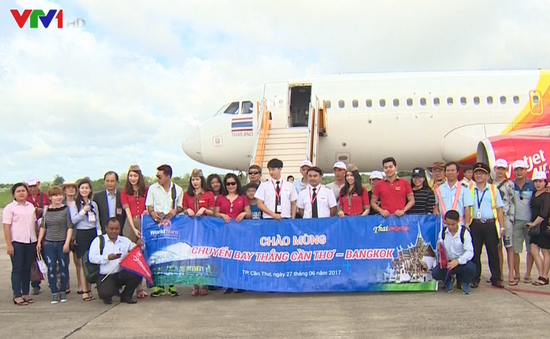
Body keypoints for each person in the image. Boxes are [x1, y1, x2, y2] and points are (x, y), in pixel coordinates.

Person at [145, 164, 184, 298]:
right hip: (157, 226)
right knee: (157, 255)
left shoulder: (177, 189)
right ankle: (159, 286)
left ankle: (172, 285)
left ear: (168, 176)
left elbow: (181, 207)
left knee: (172, 254)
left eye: (159, 176)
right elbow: (148, 205)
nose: (157, 178)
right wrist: (152, 213)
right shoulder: (152, 189)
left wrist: (175, 210)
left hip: (172, 225)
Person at [89, 218, 144, 304]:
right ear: (106, 228)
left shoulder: (124, 240)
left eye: (116, 229)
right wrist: (107, 258)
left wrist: (140, 244)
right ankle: (111, 291)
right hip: (106, 275)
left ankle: (126, 296)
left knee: (137, 273)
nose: (114, 231)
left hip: (121, 273)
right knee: (105, 294)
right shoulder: (98, 241)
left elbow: (136, 248)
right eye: (111, 229)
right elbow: (91, 258)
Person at [468, 162, 505, 288]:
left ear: (487, 176)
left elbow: (499, 209)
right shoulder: (469, 189)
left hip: (490, 224)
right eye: (477, 173)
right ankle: (475, 278)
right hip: (475, 224)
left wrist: (502, 226)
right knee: (475, 252)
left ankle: (496, 278)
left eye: (482, 174)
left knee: (493, 252)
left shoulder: (493, 189)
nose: (479, 176)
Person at [214, 173, 251, 294]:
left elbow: (249, 213)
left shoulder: (243, 198)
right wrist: (222, 215)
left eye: (233, 183)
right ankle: (228, 284)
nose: (230, 186)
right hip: (224, 232)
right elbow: (215, 214)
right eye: (228, 183)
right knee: (227, 257)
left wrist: (244, 214)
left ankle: (240, 283)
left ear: (237, 184)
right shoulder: (220, 198)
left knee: (239, 256)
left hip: (239, 232)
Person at [37, 186, 74, 304]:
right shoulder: (47, 210)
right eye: (55, 195)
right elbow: (43, 226)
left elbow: (69, 227)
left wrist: (67, 242)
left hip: (62, 242)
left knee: (63, 267)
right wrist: (39, 241)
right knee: (51, 267)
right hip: (49, 242)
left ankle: (62, 290)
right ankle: (54, 292)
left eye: (59, 195)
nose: (58, 197)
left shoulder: (65, 209)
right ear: (50, 197)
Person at [3, 183, 38, 306]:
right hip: (17, 242)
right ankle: (17, 294)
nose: (21, 193)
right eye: (18, 191)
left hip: (30, 241)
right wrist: (9, 245)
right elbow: (6, 227)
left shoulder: (30, 206)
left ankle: (25, 293)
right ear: (14, 194)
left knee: (27, 268)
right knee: (17, 269)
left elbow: (34, 224)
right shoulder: (10, 208)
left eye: (23, 190)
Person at [70, 178, 102, 301]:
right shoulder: (75, 204)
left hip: (93, 232)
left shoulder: (93, 204)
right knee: (83, 262)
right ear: (79, 189)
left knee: (92, 262)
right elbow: (73, 220)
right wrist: (83, 211)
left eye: (87, 188)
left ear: (90, 190)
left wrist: (99, 235)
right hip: (82, 233)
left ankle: (90, 289)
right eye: (82, 188)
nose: (84, 190)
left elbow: (97, 220)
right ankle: (85, 290)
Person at [120, 165, 149, 299]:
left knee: (143, 253)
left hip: (144, 221)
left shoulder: (146, 190)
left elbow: (149, 207)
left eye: (135, 176)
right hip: (130, 223)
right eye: (130, 176)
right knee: (131, 253)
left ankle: (143, 285)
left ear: (139, 177)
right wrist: (134, 228)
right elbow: (127, 211)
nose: (132, 178)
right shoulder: (125, 191)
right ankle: (136, 287)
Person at [433, 210, 475, 295]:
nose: (450, 227)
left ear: (458, 221)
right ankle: (449, 279)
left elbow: (470, 252)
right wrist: (439, 252)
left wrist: (458, 261)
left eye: (453, 224)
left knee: (471, 268)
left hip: (461, 262)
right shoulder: (443, 232)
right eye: (448, 224)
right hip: (448, 263)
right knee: (435, 273)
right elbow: (439, 248)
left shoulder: (464, 233)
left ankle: (465, 282)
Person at [493, 159, 517, 286]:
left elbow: (513, 202)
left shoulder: (510, 184)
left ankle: (511, 274)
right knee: (497, 247)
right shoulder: (491, 184)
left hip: (507, 218)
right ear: (495, 169)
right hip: (495, 219)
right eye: (498, 168)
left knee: (509, 246)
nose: (500, 171)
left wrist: (512, 218)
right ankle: (500, 273)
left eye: (503, 169)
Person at [25, 175, 50, 295]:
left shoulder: (44, 196)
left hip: (44, 229)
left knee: (47, 256)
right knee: (32, 259)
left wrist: (42, 211)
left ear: (38, 184)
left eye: (34, 186)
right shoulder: (24, 197)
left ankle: (52, 280)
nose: (32, 189)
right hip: (29, 230)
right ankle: (35, 283)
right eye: (30, 186)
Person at [512, 160, 535, 284]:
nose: (519, 172)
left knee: (530, 249)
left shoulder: (532, 185)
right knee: (516, 249)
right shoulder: (511, 185)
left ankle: (528, 273)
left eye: (521, 169)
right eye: (517, 169)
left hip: (530, 221)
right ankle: (517, 274)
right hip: (516, 221)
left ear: (526, 170)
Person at [526, 171, 550, 286]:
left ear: (545, 182)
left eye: (540, 181)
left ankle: (544, 276)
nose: (538, 184)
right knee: (534, 251)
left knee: (545, 251)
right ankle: (542, 274)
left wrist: (534, 224)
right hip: (534, 226)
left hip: (543, 226)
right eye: (535, 181)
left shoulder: (546, 195)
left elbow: (544, 213)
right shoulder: (534, 193)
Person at [62, 182, 78, 294]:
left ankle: (81, 284)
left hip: (77, 234)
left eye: (73, 188)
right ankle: (65, 283)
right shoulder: (60, 203)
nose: (71, 190)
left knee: (78, 261)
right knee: (64, 261)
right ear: (64, 191)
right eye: (68, 188)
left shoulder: (79, 203)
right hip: (63, 235)